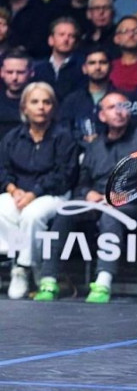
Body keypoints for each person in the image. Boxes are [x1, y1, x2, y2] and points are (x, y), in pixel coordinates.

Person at [34, 91, 137, 303]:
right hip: (96, 203)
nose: (119, 112)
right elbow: (80, 184)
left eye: (123, 107)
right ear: (102, 116)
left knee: (111, 216)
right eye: (112, 107)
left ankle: (103, 282)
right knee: (65, 213)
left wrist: (121, 197)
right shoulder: (94, 146)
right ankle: (48, 280)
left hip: (130, 205)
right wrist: (87, 193)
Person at [0, 82, 77, 299]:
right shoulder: (13, 137)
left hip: (53, 194)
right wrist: (13, 190)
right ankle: (28, 264)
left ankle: (22, 267)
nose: (41, 107)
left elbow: (64, 175)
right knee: (2, 208)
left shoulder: (64, 137)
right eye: (35, 102)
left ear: (53, 107)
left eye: (46, 102)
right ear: (24, 107)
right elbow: (3, 168)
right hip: (19, 193)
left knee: (32, 215)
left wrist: (34, 193)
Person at [0, 48, 33, 140]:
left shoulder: (40, 102)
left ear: (31, 73)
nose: (14, 77)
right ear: (1, 73)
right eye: (9, 72)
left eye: (20, 72)